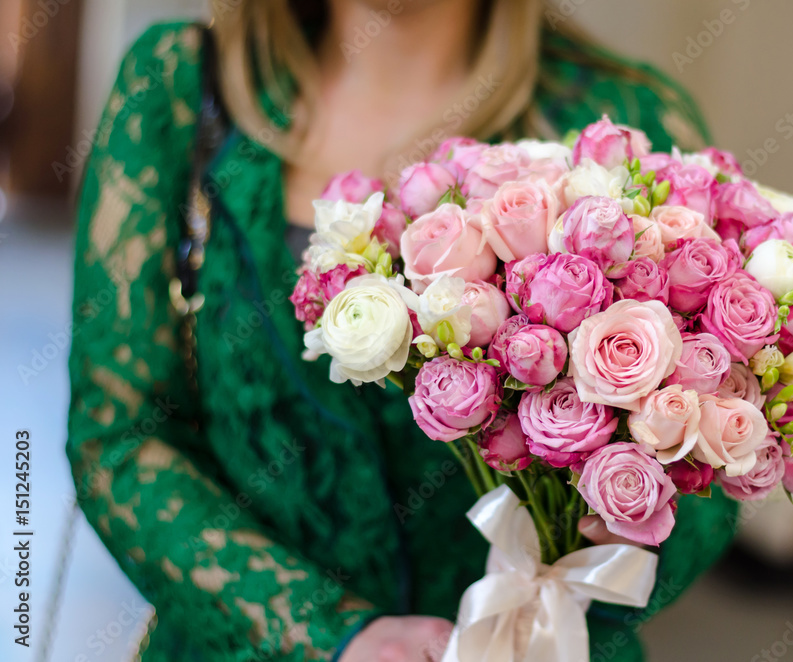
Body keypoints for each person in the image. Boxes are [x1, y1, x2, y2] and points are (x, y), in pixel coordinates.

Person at [66, 1, 737, 660]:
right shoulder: (181, 87)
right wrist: (329, 634)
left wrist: (587, 565)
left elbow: (717, 457)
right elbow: (118, 437)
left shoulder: (624, 122)